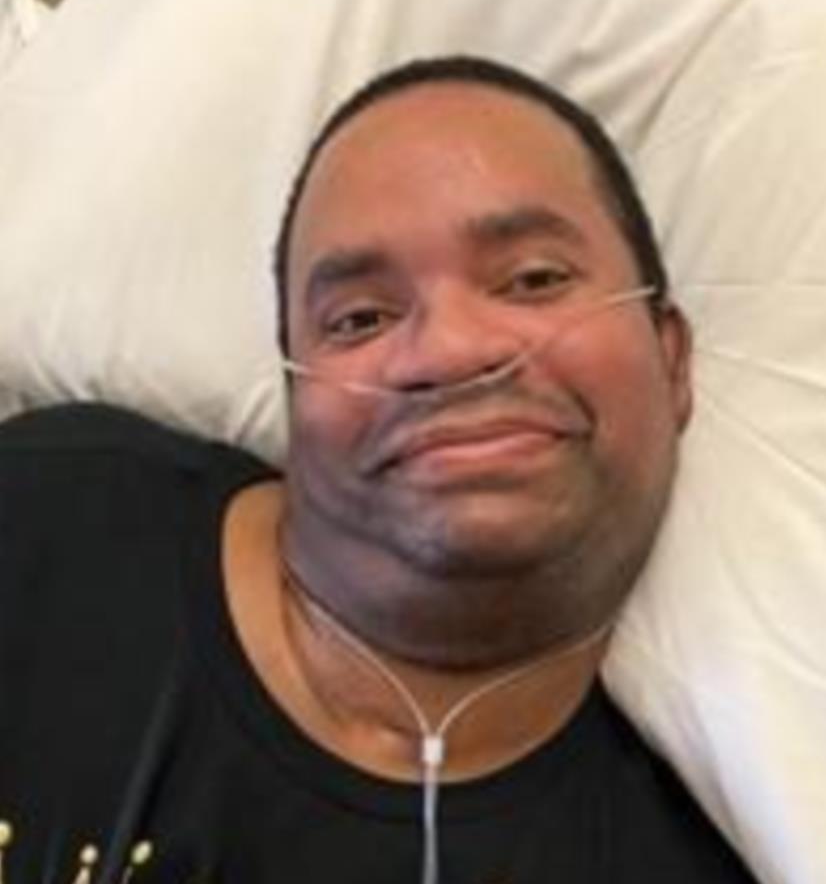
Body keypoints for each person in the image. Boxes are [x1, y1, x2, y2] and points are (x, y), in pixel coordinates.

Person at [0, 57, 757, 883]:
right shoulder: (49, 524)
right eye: (360, 319)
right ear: (297, 402)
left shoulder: (713, 840)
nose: (450, 350)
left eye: (534, 279)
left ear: (671, 358)